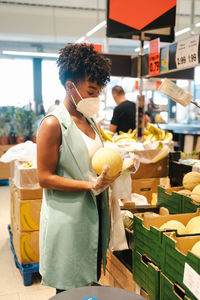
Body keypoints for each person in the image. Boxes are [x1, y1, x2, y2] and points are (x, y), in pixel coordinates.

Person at [37, 43, 121, 294]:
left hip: (93, 215)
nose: (96, 97)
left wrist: (120, 167)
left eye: (99, 91)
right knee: (69, 290)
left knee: (89, 286)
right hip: (68, 219)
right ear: (70, 86)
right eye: (91, 90)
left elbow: (92, 162)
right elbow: (44, 177)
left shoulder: (90, 121)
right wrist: (90, 185)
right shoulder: (53, 124)